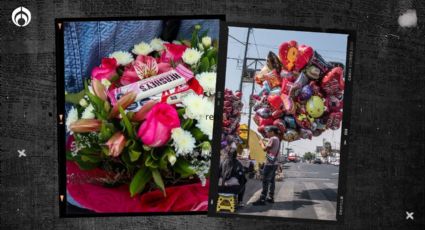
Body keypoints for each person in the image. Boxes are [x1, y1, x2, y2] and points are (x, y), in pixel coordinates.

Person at [253, 127, 281, 206]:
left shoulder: (272, 138)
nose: (266, 133)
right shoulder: (277, 139)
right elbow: (270, 150)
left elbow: (265, 149)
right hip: (274, 163)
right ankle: (270, 197)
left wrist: (261, 143)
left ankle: (262, 199)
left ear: (272, 132)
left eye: (267, 132)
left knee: (265, 181)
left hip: (270, 164)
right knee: (272, 181)